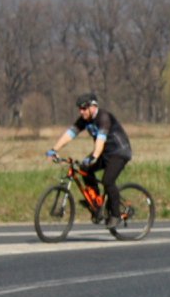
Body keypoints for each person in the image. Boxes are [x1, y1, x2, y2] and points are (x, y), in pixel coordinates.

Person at [48, 91, 132, 222]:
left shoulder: (104, 118)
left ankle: (115, 215)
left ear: (93, 107)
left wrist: (94, 156)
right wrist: (54, 149)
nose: (81, 112)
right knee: (84, 168)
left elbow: (100, 139)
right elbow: (70, 134)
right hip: (104, 152)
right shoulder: (84, 120)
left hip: (119, 152)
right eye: (80, 109)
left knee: (108, 181)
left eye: (84, 108)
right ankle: (97, 204)